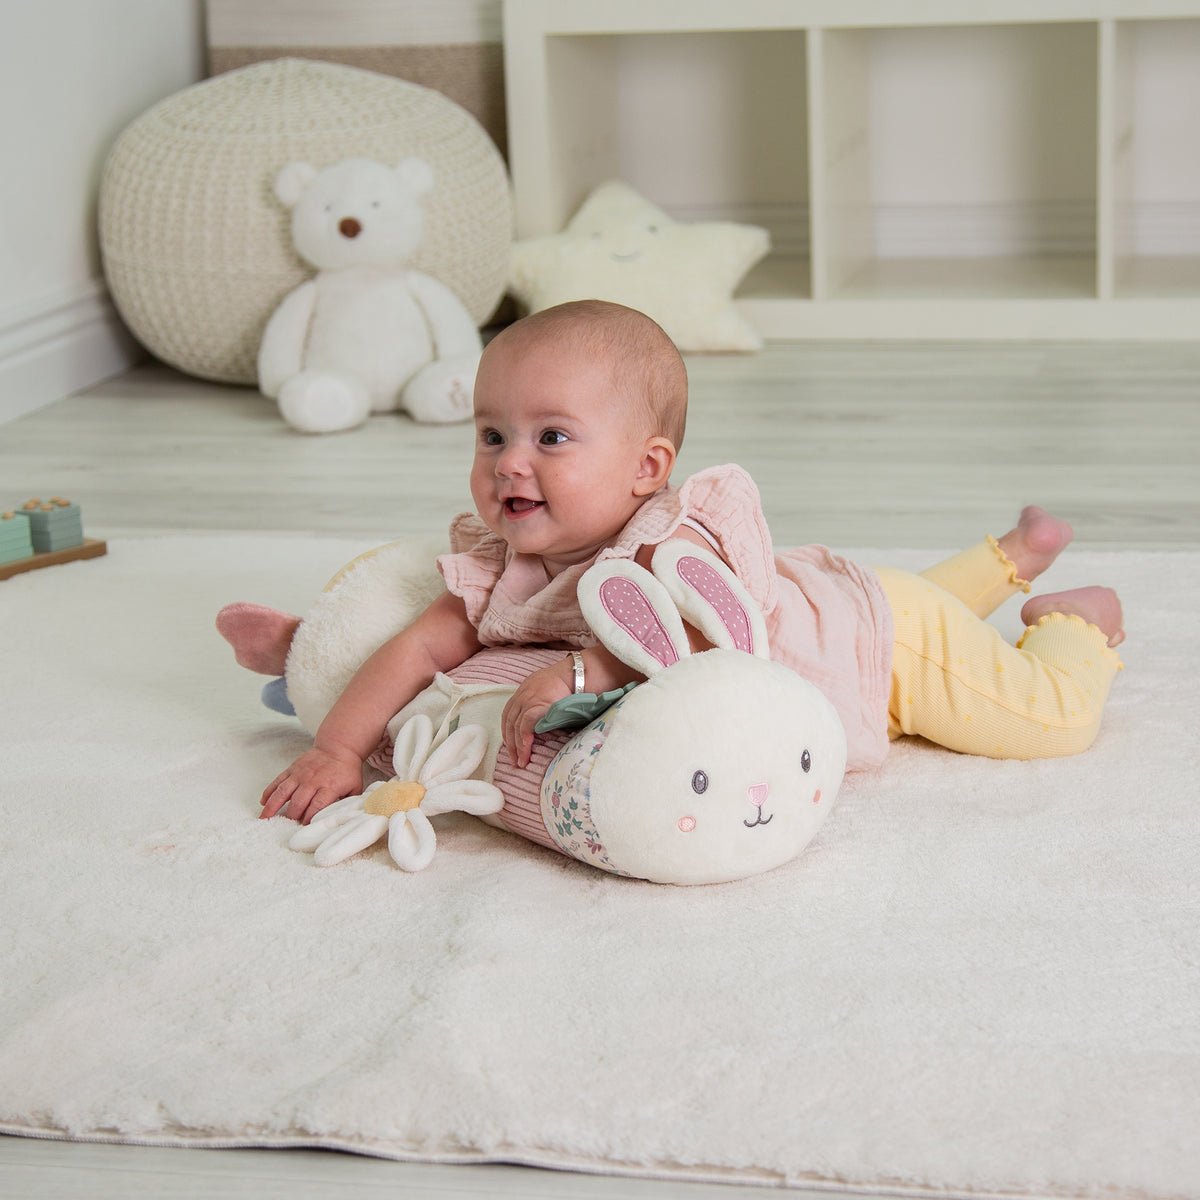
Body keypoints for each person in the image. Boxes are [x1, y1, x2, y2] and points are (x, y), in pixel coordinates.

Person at [226, 299, 1124, 827]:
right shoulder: (499, 567)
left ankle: (1078, 620)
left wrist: (587, 666)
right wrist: (340, 748)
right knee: (914, 605)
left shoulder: (664, 547)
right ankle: (1010, 556)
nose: (509, 461)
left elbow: (693, 637)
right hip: (851, 606)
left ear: (646, 468)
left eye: (552, 437)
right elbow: (414, 653)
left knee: (1048, 722)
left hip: (881, 656)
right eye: (492, 433)